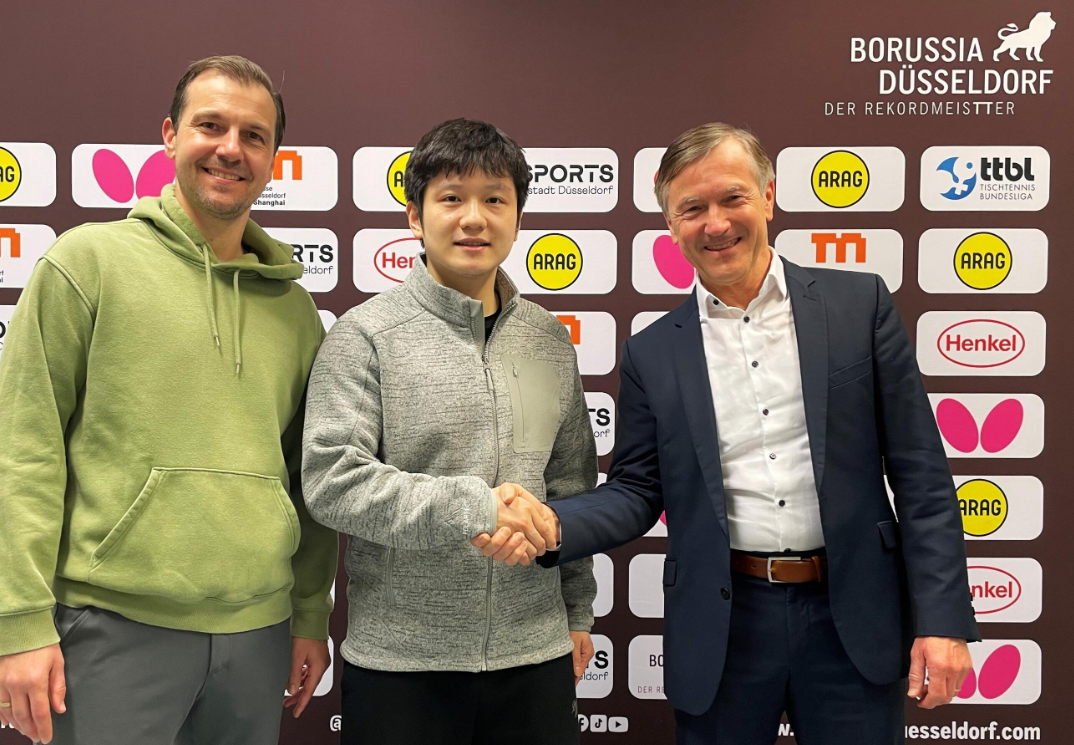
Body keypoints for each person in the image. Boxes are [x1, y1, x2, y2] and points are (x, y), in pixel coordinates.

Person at [481, 123, 979, 744]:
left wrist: (943, 619)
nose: (715, 224)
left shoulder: (860, 305)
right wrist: (552, 524)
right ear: (671, 225)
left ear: (767, 196)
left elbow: (921, 473)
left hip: (854, 618)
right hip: (723, 627)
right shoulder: (651, 353)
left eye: (732, 198)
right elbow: (637, 490)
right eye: (692, 208)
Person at [0, 55, 337, 745]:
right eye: (210, 126)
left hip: (258, 633)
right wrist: (20, 620)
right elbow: (24, 452)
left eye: (253, 135)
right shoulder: (86, 263)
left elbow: (307, 480)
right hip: (109, 627)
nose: (230, 149)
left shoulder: (296, 310)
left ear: (273, 158)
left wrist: (309, 613)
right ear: (170, 135)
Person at [302, 118, 596, 745]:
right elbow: (332, 482)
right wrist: (477, 507)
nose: (474, 219)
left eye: (495, 199)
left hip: (536, 656)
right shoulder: (365, 336)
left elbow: (570, 487)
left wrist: (576, 609)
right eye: (452, 198)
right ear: (415, 216)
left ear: (517, 217)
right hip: (402, 666)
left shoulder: (547, 339)